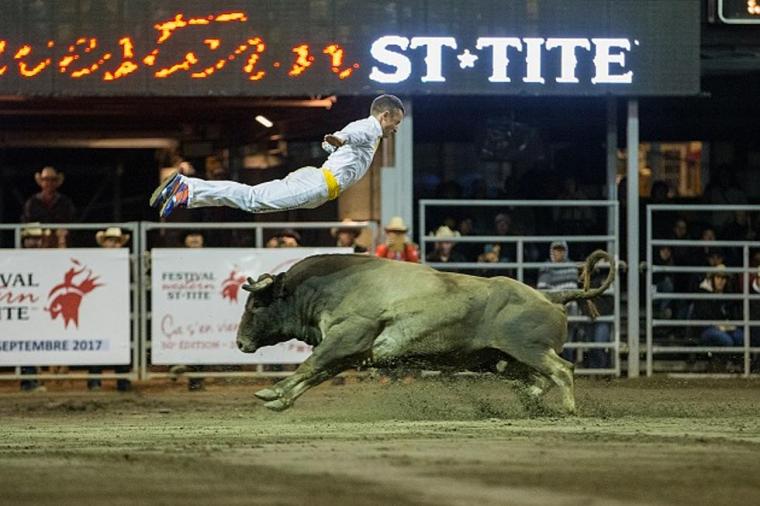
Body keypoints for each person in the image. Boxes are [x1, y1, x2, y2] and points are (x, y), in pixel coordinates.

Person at [151, 94, 405, 217]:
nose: (397, 128)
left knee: (254, 202)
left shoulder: (369, 132)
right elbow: (351, 134)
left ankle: (187, 193)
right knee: (252, 199)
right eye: (396, 122)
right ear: (385, 116)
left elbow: (342, 143)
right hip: (318, 184)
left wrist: (334, 144)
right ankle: (187, 188)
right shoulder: (369, 129)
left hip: (319, 185)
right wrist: (339, 139)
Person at [88, 227, 132, 392]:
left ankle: (122, 381)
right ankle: (94, 381)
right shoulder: (95, 261)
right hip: (98, 307)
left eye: (116, 242)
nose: (113, 244)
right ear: (104, 243)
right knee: (96, 344)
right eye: (110, 241)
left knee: (121, 344)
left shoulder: (127, 260)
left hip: (119, 307)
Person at [169, 232, 207, 391]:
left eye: (197, 235)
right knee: (181, 337)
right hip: (182, 306)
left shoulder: (211, 258)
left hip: (204, 307)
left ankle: (196, 379)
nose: (194, 238)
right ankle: (177, 365)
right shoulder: (176, 259)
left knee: (202, 343)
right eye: (190, 235)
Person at [537, 241, 582, 363]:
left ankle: (567, 369)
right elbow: (543, 289)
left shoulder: (572, 267)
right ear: (552, 251)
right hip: (553, 312)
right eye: (556, 250)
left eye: (561, 250)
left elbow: (573, 289)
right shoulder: (546, 266)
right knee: (554, 344)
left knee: (568, 344)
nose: (559, 253)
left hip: (570, 311)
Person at [19, 225, 51, 393]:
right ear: (25, 241)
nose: (35, 242)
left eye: (37, 239)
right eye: (31, 238)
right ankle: (28, 381)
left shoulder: (44, 259)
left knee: (34, 343)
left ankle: (30, 379)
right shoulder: (17, 259)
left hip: (40, 306)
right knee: (26, 342)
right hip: (26, 306)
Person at [21, 166, 75, 248]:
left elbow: (71, 222)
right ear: (41, 182)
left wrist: (62, 233)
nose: (49, 183)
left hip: (59, 240)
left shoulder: (65, 202)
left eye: (53, 180)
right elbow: (26, 224)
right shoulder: (32, 202)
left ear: (57, 182)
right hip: (37, 241)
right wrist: (41, 234)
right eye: (46, 180)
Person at [693, 265, 743, 348]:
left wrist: (728, 324)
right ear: (712, 278)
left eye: (724, 278)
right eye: (718, 277)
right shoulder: (703, 293)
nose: (721, 281)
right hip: (705, 329)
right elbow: (703, 317)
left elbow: (730, 314)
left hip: (724, 328)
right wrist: (719, 325)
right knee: (727, 340)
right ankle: (719, 359)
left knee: (740, 336)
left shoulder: (726, 294)